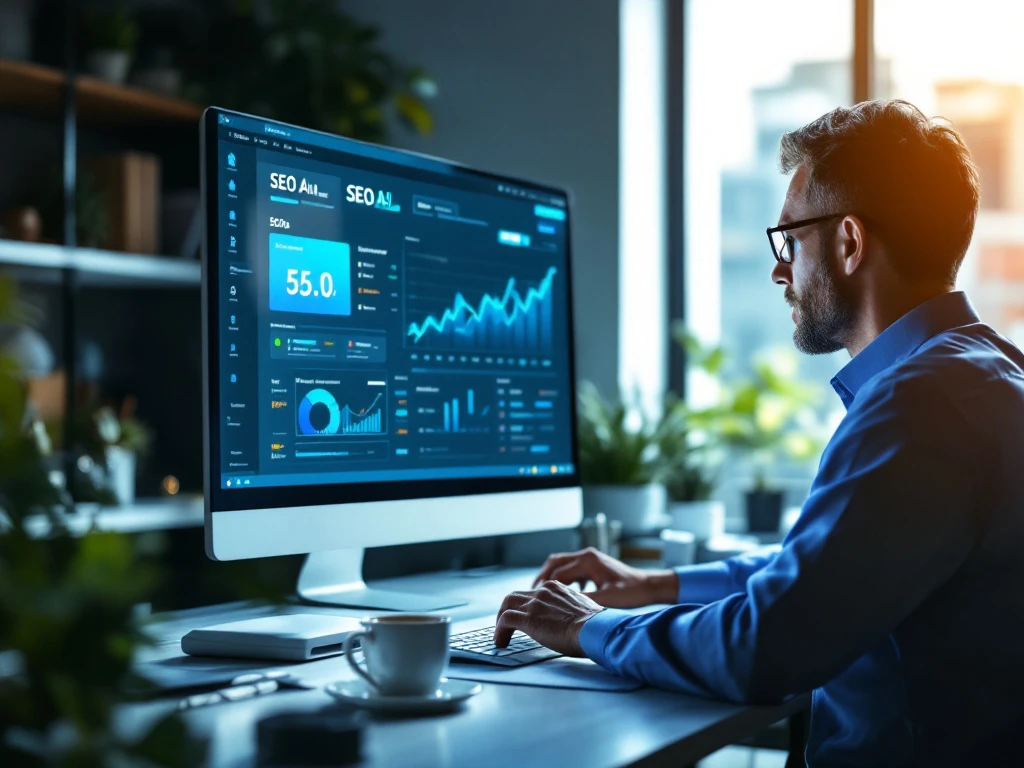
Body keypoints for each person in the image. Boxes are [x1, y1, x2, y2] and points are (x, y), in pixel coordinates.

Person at [493, 99, 1024, 766]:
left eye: (790, 241)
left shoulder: (918, 407)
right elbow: (830, 572)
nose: (779, 270)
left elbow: (768, 646)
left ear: (850, 242)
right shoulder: (985, 374)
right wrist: (658, 585)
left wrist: (590, 627)